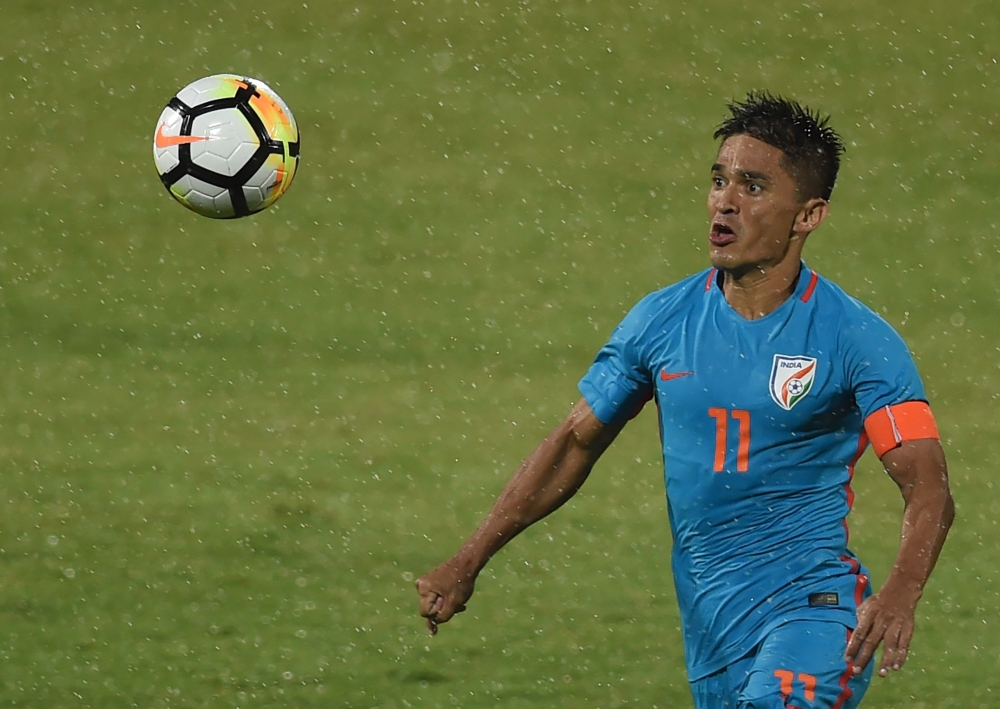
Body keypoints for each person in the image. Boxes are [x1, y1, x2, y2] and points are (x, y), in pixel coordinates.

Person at [414, 91, 954, 709]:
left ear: (808, 215)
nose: (724, 201)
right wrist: (469, 559)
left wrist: (900, 593)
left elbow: (928, 484)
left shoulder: (856, 339)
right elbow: (572, 445)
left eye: (752, 187)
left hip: (816, 617)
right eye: (719, 180)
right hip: (711, 635)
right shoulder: (662, 322)